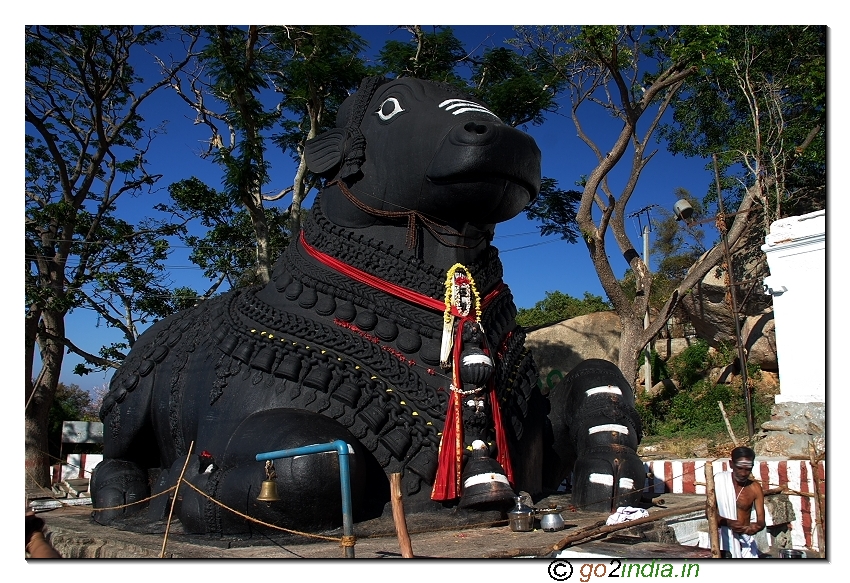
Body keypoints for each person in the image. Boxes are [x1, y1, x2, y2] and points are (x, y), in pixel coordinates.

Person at [711, 446, 766, 558]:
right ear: (731, 464)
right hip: (721, 540)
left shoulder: (755, 488)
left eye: (748, 469)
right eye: (740, 468)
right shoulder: (718, 481)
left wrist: (755, 527)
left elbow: (761, 520)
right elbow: (709, 514)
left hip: (745, 541)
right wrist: (729, 523)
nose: (743, 473)